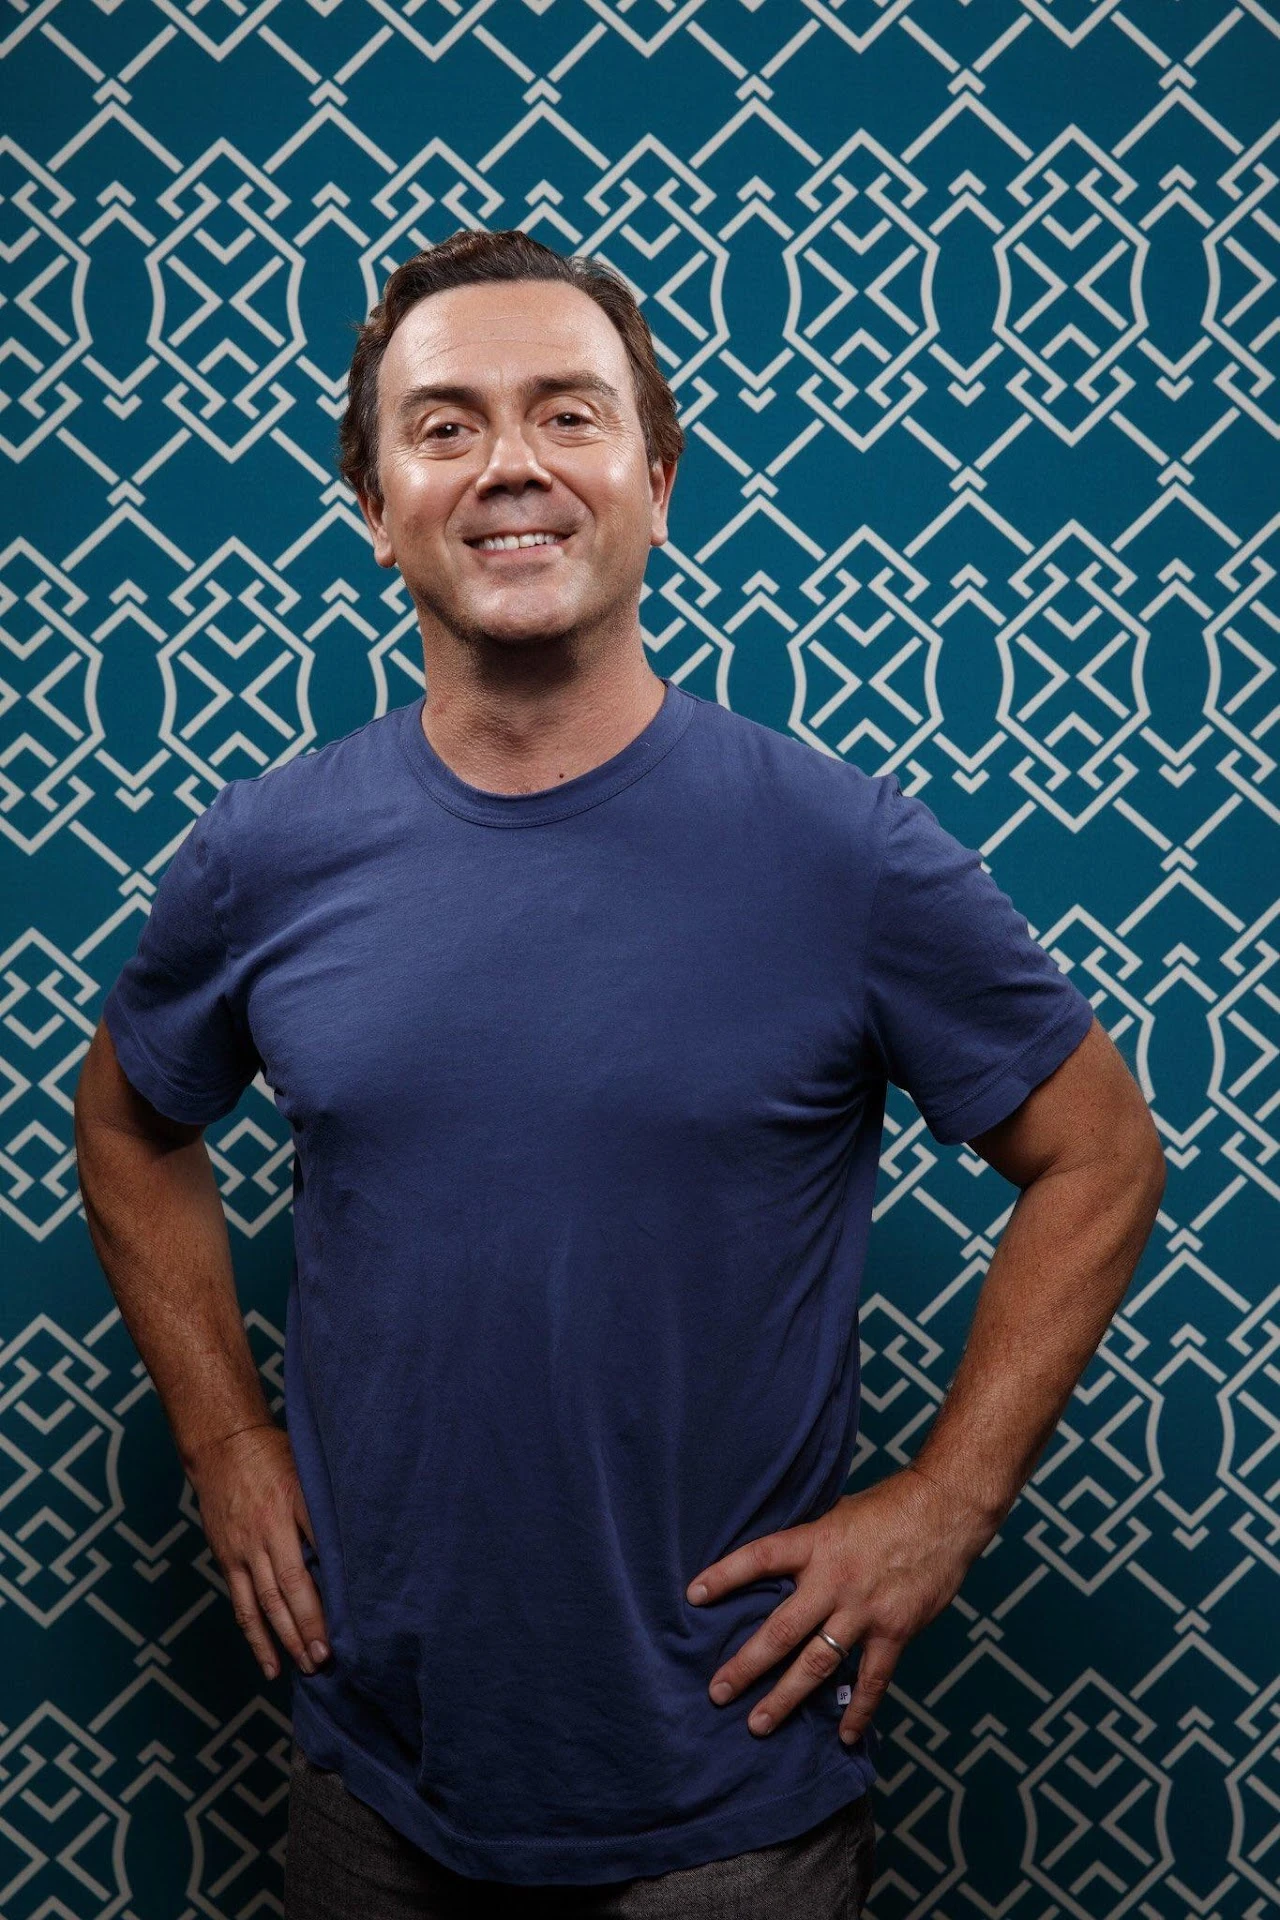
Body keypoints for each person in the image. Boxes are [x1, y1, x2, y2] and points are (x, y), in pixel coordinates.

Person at [75, 228, 1166, 1918]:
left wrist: (951, 1501)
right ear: (376, 507)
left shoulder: (845, 852)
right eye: (444, 427)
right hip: (375, 1782)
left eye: (567, 415)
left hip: (729, 1804)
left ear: (656, 484)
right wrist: (223, 1434)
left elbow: (1101, 1150)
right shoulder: (264, 855)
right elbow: (127, 1119)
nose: (510, 464)